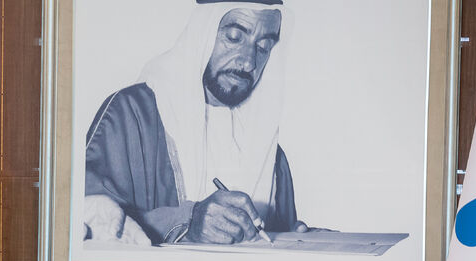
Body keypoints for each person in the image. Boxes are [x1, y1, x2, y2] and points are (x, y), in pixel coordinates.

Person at [84, 0, 309, 246]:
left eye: (263, 47)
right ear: (202, 32)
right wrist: (186, 223)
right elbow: (83, 224)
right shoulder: (130, 114)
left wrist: (297, 238)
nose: (248, 62)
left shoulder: (270, 153)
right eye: (234, 38)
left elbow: (272, 240)